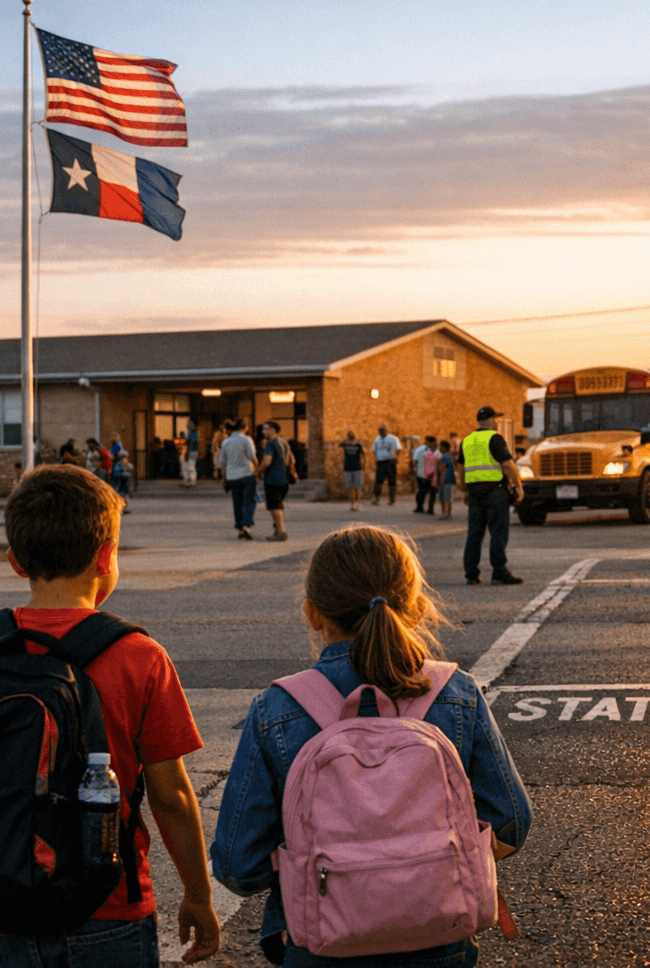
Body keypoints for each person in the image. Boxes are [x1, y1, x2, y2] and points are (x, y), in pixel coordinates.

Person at [0, 464, 221, 967]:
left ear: (16, 562)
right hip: (104, 910)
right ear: (107, 556)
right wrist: (198, 895)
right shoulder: (139, 656)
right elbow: (170, 796)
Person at [211, 525, 532, 967]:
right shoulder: (455, 692)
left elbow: (237, 866)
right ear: (416, 608)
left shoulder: (278, 708)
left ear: (313, 614)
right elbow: (512, 821)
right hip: (440, 941)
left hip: (322, 947)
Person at [460, 406, 524, 585]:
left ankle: (471, 574)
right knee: (498, 532)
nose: (497, 422)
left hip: (474, 492)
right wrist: (518, 487)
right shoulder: (494, 438)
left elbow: (460, 467)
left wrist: (464, 490)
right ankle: (499, 572)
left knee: (474, 534)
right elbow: (508, 465)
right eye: (496, 418)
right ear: (491, 419)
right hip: (495, 492)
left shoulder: (467, 440)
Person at [218, 418, 259, 540]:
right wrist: (257, 469)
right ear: (245, 427)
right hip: (247, 474)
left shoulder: (226, 442)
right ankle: (246, 525)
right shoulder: (246, 439)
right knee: (249, 501)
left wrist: (223, 477)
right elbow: (252, 456)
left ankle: (240, 529)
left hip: (232, 476)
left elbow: (223, 463)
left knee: (237, 503)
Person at [258, 420, 296, 542]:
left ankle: (281, 532)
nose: (263, 431)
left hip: (273, 479)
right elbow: (292, 459)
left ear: (273, 430)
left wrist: (258, 472)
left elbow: (266, 461)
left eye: (265, 429)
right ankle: (277, 530)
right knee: (279, 505)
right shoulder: (284, 442)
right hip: (284, 479)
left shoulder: (270, 444)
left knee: (274, 507)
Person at [371, 424, 400, 505]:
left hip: (390, 462)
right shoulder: (377, 439)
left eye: (383, 430)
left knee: (392, 481)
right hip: (380, 462)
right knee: (378, 481)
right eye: (380, 430)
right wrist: (377, 457)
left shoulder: (393, 438)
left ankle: (392, 499)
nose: (381, 432)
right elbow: (374, 450)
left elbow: (398, 449)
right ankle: (377, 499)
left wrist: (396, 458)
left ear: (386, 430)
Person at [339, 431, 364, 512]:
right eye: (349, 435)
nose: (351, 436)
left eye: (352, 435)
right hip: (347, 468)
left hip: (357, 468)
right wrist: (346, 439)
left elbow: (363, 455)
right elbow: (339, 444)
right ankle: (353, 504)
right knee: (350, 488)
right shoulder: (345, 444)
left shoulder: (359, 444)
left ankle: (358, 504)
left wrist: (364, 465)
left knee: (358, 487)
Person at [411, 435, 434, 514]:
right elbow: (415, 461)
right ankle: (420, 507)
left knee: (423, 491)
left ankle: (422, 507)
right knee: (423, 491)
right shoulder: (422, 449)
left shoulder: (421, 449)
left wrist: (415, 470)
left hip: (424, 473)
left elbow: (414, 460)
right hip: (423, 473)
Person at [435, 439, 457, 520]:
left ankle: (445, 513)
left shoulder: (445, 457)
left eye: (440, 447)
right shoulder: (450, 456)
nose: (439, 449)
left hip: (445, 480)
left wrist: (437, 464)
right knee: (446, 497)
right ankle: (447, 512)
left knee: (444, 498)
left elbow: (442, 469)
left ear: (443, 448)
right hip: (450, 479)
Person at [181, 420, 200, 487]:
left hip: (192, 451)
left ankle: (192, 480)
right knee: (190, 465)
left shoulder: (193, 434)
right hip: (194, 451)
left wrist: (187, 452)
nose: (187, 428)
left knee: (191, 465)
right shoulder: (194, 433)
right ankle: (190, 479)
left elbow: (191, 443)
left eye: (188, 427)